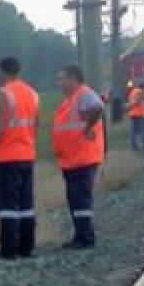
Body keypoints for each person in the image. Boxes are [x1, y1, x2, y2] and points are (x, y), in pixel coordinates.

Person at [0, 56, 40, 259]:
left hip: (7, 155)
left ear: (2, 71)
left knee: (8, 204)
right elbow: (36, 125)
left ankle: (8, 249)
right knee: (26, 203)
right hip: (27, 154)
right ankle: (27, 246)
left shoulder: (3, 94)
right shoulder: (33, 94)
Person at [51, 64, 106, 250]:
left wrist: (88, 127)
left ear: (73, 78)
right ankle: (80, 235)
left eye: (62, 79)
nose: (59, 83)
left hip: (83, 157)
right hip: (72, 159)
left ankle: (86, 237)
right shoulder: (71, 99)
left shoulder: (83, 94)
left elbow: (98, 107)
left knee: (80, 198)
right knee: (75, 198)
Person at [127, 80, 144, 151]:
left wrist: (129, 106)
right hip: (140, 114)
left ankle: (134, 146)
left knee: (133, 131)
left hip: (133, 113)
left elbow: (131, 101)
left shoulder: (133, 91)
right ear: (143, 87)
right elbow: (138, 101)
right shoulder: (140, 91)